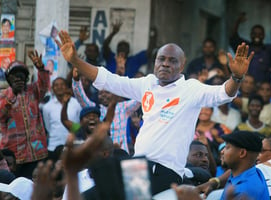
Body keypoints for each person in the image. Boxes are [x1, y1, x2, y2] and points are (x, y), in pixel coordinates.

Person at [56, 30, 254, 194]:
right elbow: (109, 80)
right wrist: (74, 60)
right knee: (92, 194)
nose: (165, 64)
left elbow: (223, 94)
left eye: (172, 60)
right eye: (161, 59)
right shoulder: (147, 83)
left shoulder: (191, 89)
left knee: (101, 195)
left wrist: (236, 77)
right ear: (155, 62)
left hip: (164, 171)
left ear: (182, 65)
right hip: (138, 166)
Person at [0, 51, 49, 179]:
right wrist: (12, 95)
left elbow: (44, 85)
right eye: (14, 76)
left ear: (26, 78)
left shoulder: (33, 91)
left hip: (35, 154)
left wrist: (41, 68)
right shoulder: (3, 95)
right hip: (13, 156)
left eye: (21, 75)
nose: (17, 78)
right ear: (8, 78)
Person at [230, 12, 271, 84]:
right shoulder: (245, 47)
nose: (257, 36)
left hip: (264, 88)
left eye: (260, 34)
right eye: (254, 34)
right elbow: (233, 38)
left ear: (264, 35)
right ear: (251, 34)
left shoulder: (270, 49)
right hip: (245, 85)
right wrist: (237, 22)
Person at [42, 78, 82, 162]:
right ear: (52, 88)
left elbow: (79, 124)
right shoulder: (47, 107)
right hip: (54, 147)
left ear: (67, 87)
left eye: (62, 84)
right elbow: (48, 127)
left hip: (73, 146)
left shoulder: (76, 103)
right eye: (56, 85)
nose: (59, 87)